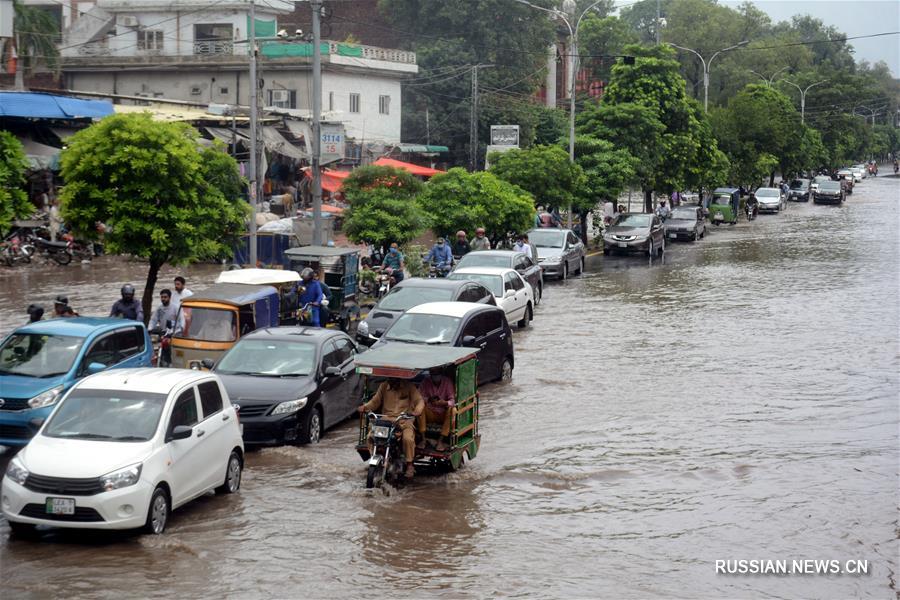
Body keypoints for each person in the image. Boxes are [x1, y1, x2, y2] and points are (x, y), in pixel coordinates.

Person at [358, 378, 424, 478]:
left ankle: (410, 465)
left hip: (404, 420)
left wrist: (417, 410)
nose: (393, 382)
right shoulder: (383, 386)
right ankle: (374, 457)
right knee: (371, 436)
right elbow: (375, 402)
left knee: (408, 439)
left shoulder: (409, 386)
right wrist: (365, 407)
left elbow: (419, 400)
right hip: (386, 419)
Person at [416, 369, 456, 452]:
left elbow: (452, 401)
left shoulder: (447, 382)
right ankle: (423, 439)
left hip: (443, 414)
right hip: (430, 412)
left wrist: (444, 402)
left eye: (437, 373)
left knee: (452, 410)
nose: (435, 375)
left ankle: (440, 441)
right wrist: (428, 399)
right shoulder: (425, 382)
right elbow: (418, 397)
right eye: (433, 373)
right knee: (420, 407)